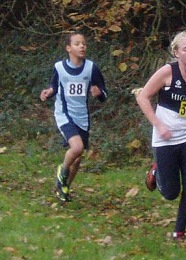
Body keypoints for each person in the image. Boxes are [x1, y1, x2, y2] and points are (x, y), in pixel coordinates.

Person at [135, 29, 186, 240]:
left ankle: (179, 231)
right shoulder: (167, 72)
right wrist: (158, 124)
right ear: (176, 52)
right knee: (171, 193)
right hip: (165, 138)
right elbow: (143, 97)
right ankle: (157, 173)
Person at [40, 31, 108, 202]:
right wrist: (48, 92)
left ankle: (64, 187)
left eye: (84, 43)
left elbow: (104, 95)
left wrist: (98, 93)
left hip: (82, 117)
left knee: (77, 159)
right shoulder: (59, 68)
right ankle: (62, 171)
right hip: (64, 114)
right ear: (68, 48)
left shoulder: (91, 68)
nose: (82, 46)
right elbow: (54, 87)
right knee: (76, 148)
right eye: (77, 44)